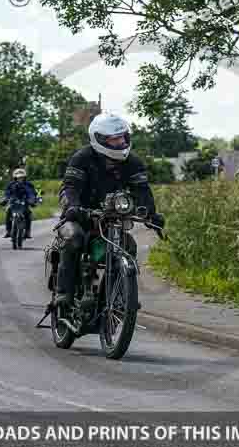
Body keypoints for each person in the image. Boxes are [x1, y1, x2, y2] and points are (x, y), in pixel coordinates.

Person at [54, 112, 165, 307]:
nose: (120, 142)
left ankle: (115, 296)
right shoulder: (82, 157)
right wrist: (73, 207)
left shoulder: (133, 162)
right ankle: (63, 293)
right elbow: (70, 187)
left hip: (111, 217)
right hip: (81, 214)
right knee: (73, 238)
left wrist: (151, 214)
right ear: (99, 139)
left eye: (122, 137)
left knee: (128, 245)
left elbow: (142, 191)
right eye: (114, 139)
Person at [2, 168, 38, 239]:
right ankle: (8, 231)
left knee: (28, 213)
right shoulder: (11, 185)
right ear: (15, 178)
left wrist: (32, 200)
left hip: (24, 203)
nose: (20, 179)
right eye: (18, 177)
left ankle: (27, 232)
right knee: (8, 211)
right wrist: (5, 200)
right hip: (13, 203)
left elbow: (32, 193)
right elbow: (7, 193)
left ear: (25, 177)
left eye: (22, 177)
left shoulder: (29, 185)